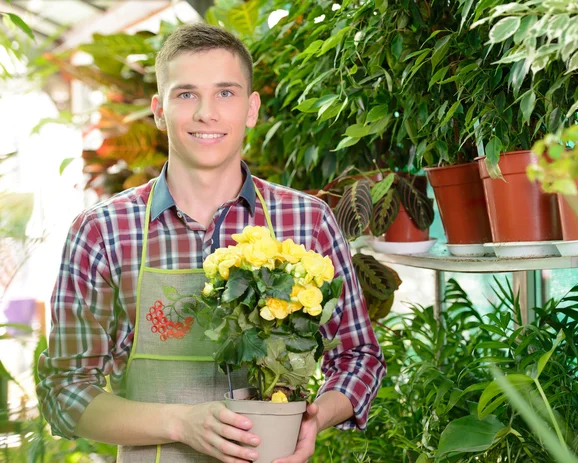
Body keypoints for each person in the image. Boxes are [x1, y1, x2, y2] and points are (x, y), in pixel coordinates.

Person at [37, 22, 386, 463]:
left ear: (251, 108)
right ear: (158, 110)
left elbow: (359, 356)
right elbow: (65, 390)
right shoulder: (103, 231)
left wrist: (314, 418)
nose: (207, 113)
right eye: (185, 94)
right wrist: (180, 424)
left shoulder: (307, 220)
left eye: (226, 93)